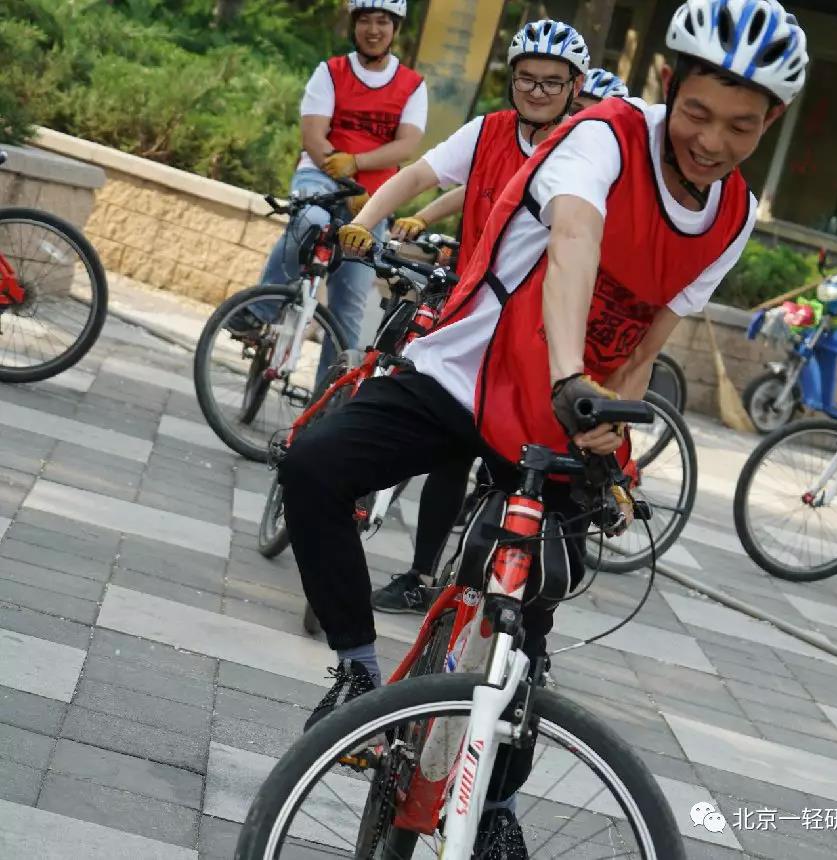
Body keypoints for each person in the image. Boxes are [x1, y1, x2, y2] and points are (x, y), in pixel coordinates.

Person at [279, 0, 808, 845]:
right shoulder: (606, 135)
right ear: (668, 84)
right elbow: (573, 246)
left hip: (564, 418)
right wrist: (570, 374)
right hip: (472, 372)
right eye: (699, 113)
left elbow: (646, 344)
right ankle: (357, 671)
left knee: (528, 624)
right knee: (313, 465)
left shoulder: (734, 217)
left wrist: (609, 424)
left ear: (771, 122)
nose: (712, 141)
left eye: (741, 127)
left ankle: (493, 806)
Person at [334, 18, 591, 615]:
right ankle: (421, 575)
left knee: (516, 469)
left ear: (574, 86)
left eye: (552, 83)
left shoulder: (585, 153)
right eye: (526, 79)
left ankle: (502, 605)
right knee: (449, 448)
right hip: (470, 312)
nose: (537, 92)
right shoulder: (489, 131)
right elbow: (419, 175)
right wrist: (365, 221)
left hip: (534, 331)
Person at [232, 0, 427, 378]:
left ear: (395, 28)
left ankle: (327, 402)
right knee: (309, 220)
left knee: (349, 307)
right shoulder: (331, 72)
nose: (373, 30)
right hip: (320, 175)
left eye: (382, 22)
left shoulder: (412, 86)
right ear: (354, 25)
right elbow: (313, 136)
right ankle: (256, 313)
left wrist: (357, 164)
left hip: (374, 198)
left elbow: (406, 146)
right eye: (365, 20)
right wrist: (344, 177)